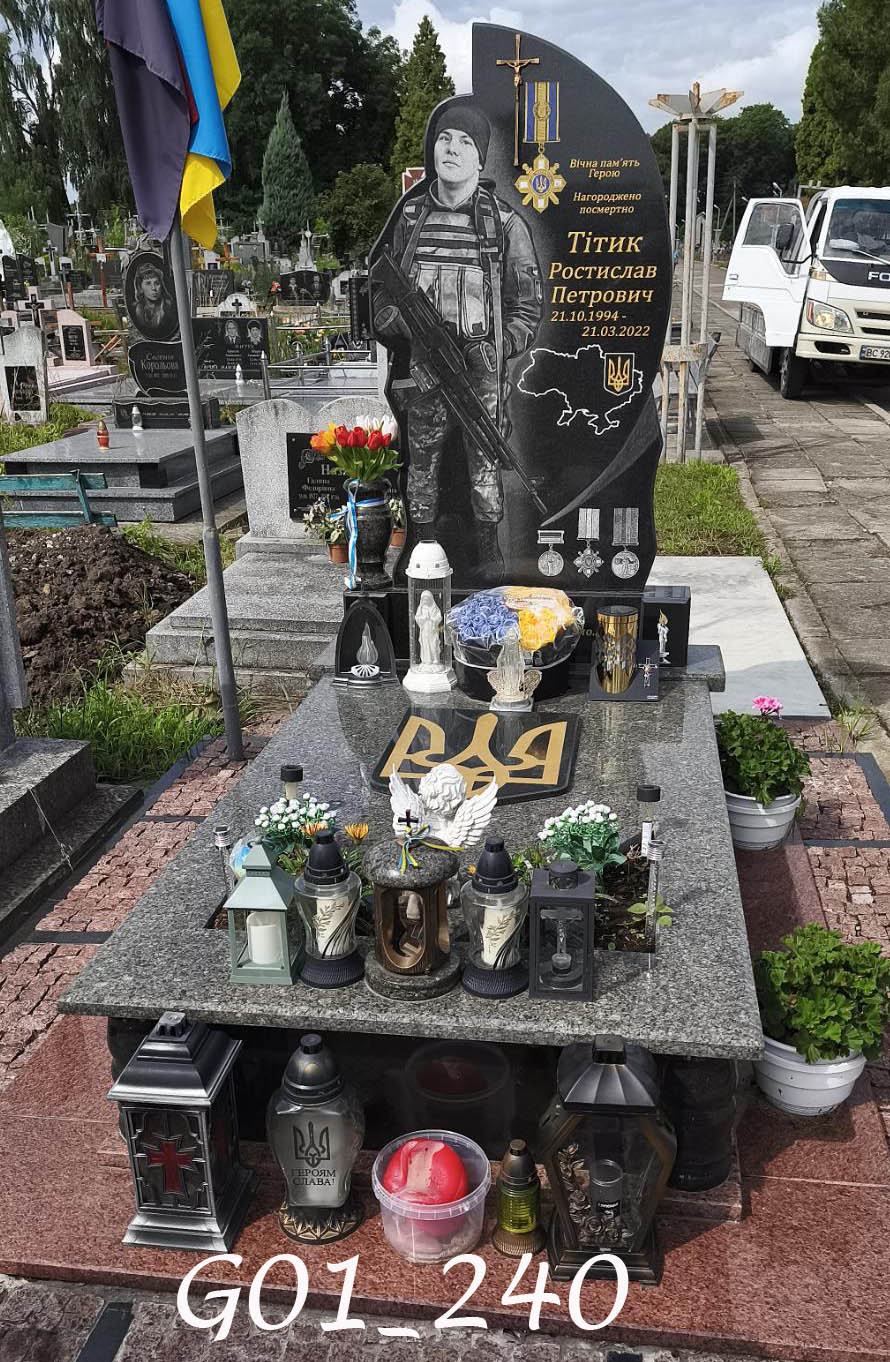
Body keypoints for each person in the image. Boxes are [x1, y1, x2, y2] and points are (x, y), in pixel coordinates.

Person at [371, 103, 543, 576]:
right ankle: (422, 551)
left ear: (480, 159)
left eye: (466, 143)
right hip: (422, 369)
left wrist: (498, 346)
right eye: (445, 139)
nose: (452, 150)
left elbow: (527, 307)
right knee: (421, 464)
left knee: (486, 464)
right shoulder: (410, 219)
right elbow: (380, 296)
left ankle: (489, 557)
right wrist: (406, 328)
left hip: (479, 373)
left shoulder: (504, 225)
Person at [130, 260, 175, 338]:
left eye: (157, 283)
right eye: (148, 283)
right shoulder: (135, 308)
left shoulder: (169, 306)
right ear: (140, 287)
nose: (154, 288)